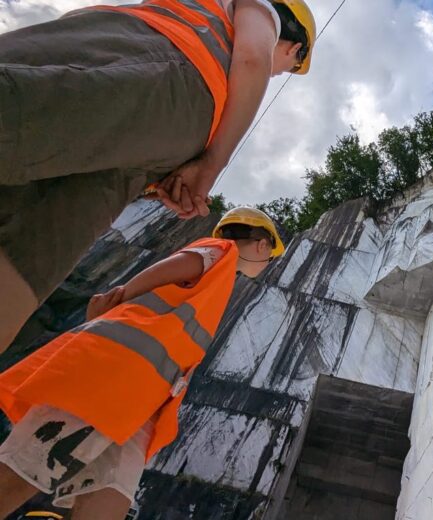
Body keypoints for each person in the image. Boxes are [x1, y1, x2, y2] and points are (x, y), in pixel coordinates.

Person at [0, 0, 314, 353]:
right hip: (165, 59)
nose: (275, 74)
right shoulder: (256, 9)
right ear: (294, 46)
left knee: (29, 257)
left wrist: (170, 174)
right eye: (286, 68)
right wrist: (212, 163)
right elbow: (255, 59)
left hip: (152, 134)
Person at [0, 207, 283, 519]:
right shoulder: (222, 251)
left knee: (110, 490)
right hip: (113, 373)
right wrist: (118, 299)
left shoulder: (217, 284)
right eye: (270, 256)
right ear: (262, 244)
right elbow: (177, 265)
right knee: (29, 466)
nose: (267, 263)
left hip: (143, 400)